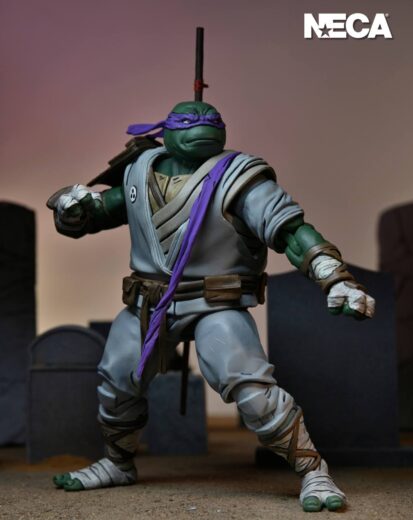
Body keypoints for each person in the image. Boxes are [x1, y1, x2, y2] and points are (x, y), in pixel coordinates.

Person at [47, 101, 375, 512]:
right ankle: (117, 462)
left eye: (211, 121)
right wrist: (75, 211)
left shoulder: (241, 177)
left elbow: (291, 232)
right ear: (166, 130)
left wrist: (335, 277)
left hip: (216, 303)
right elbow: (101, 212)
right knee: (117, 381)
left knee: (252, 390)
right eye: (188, 121)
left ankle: (314, 471)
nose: (201, 126)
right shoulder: (139, 168)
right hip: (149, 302)